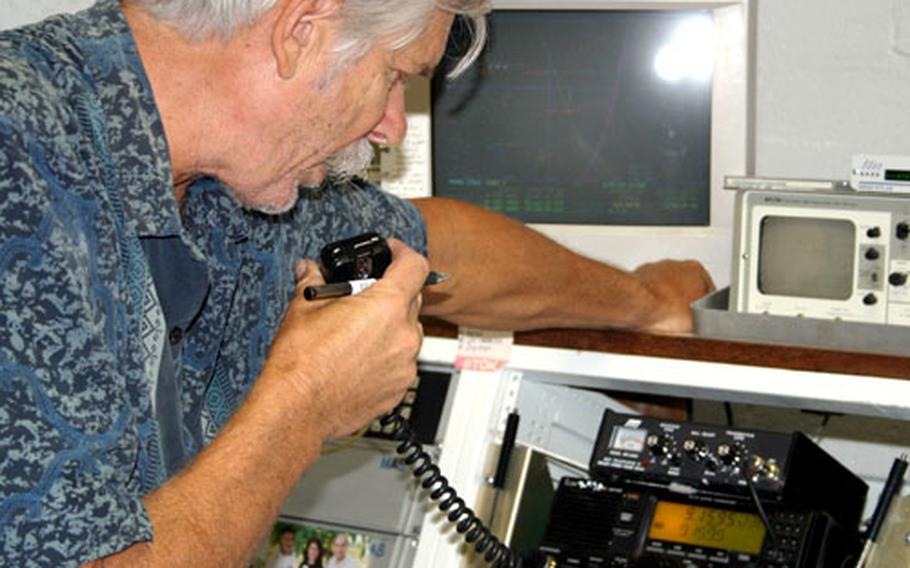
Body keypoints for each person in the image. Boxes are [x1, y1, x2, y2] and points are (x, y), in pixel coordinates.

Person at [0, 0, 714, 566]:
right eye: (395, 76)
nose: (391, 128)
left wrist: (644, 301)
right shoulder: (19, 160)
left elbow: (442, 247)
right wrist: (306, 400)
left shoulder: (233, 179)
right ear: (301, 28)